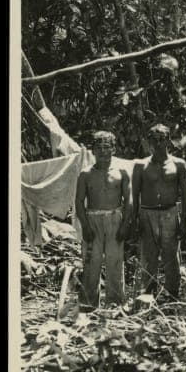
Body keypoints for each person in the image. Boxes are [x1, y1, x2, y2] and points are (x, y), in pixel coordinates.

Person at [131, 123, 186, 299]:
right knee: (149, 257)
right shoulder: (140, 165)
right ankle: (149, 294)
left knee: (171, 256)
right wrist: (135, 221)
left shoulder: (179, 164)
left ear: (168, 141)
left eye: (161, 139)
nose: (157, 144)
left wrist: (183, 220)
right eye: (153, 140)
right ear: (148, 142)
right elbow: (134, 194)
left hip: (170, 213)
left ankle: (173, 295)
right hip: (147, 213)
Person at [74, 131, 131, 308]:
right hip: (93, 220)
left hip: (115, 219)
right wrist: (85, 225)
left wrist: (125, 224)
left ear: (113, 149)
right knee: (92, 263)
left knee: (115, 262)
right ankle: (89, 305)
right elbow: (78, 200)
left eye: (107, 147)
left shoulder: (122, 172)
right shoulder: (85, 174)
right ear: (93, 151)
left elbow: (128, 200)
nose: (103, 151)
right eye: (99, 148)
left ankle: (115, 304)